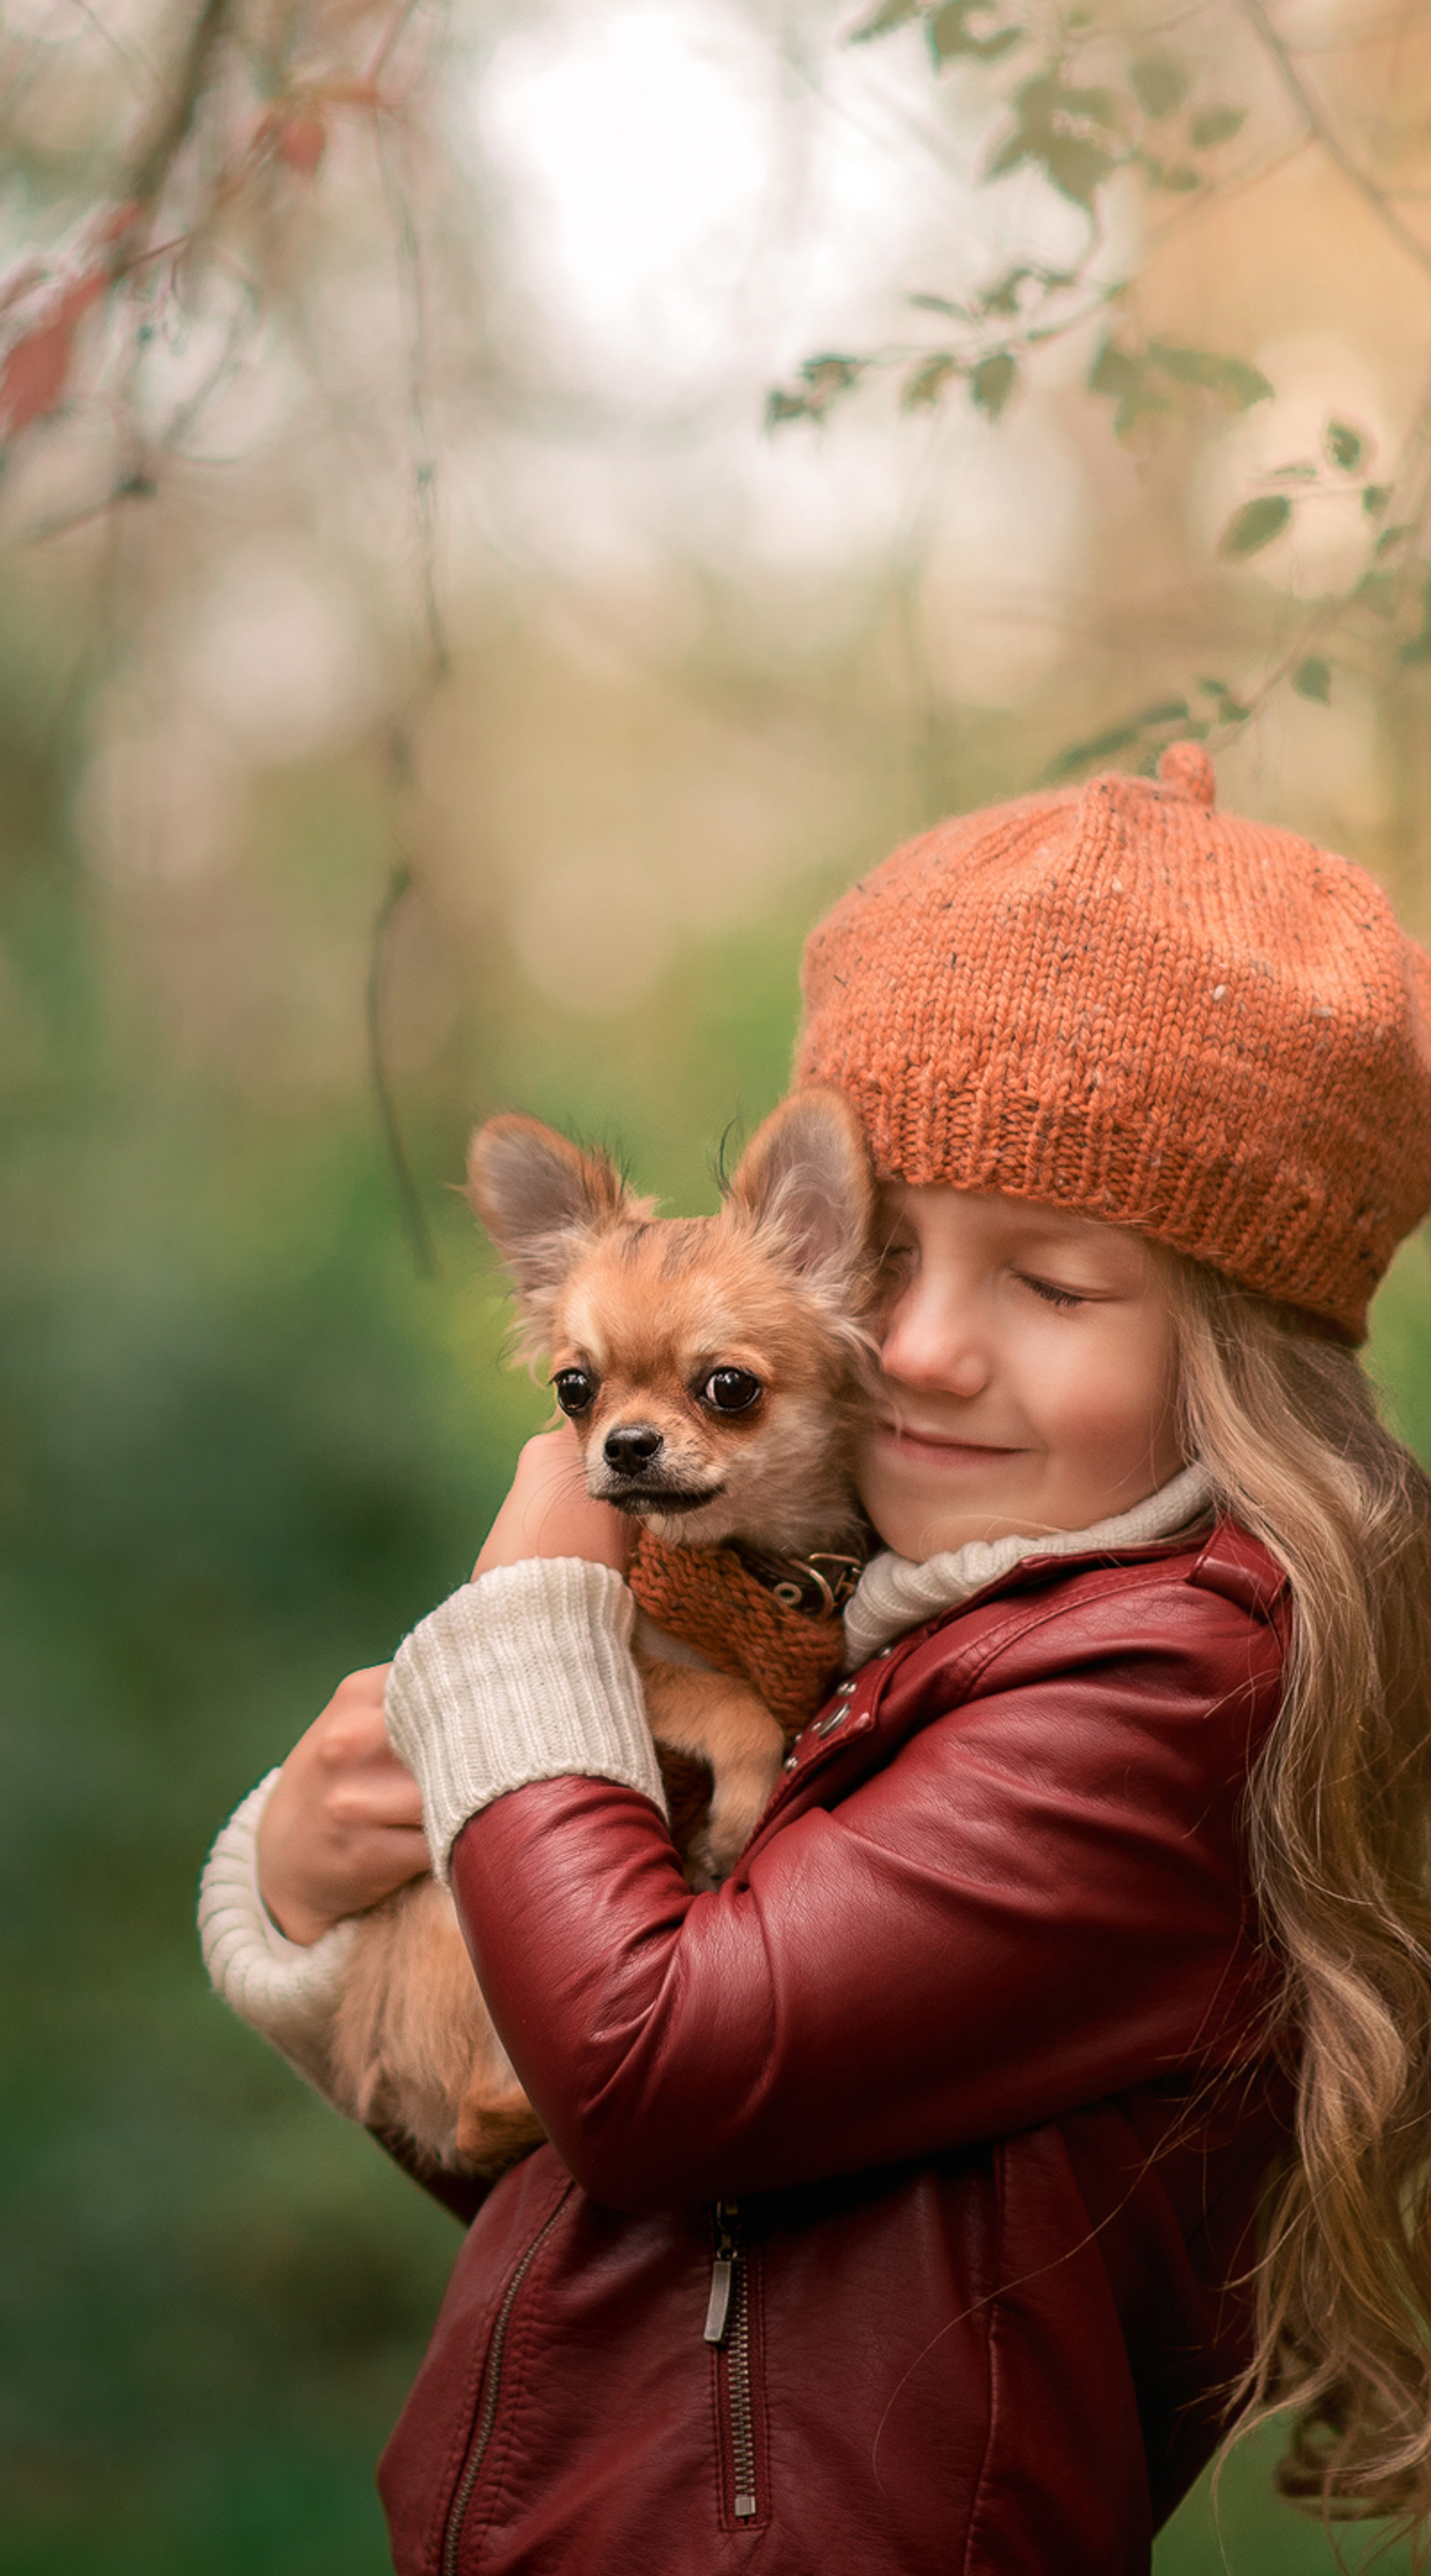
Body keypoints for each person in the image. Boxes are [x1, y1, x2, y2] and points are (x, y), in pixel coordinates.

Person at [196, 741, 1431, 2574]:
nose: (915, 1348)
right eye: (884, 1256)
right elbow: (585, 2183)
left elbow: (645, 2079)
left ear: (1235, 1352)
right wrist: (298, 1915)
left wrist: (526, 1624)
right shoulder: (859, 1639)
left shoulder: (1170, 1691)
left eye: (1052, 1282)